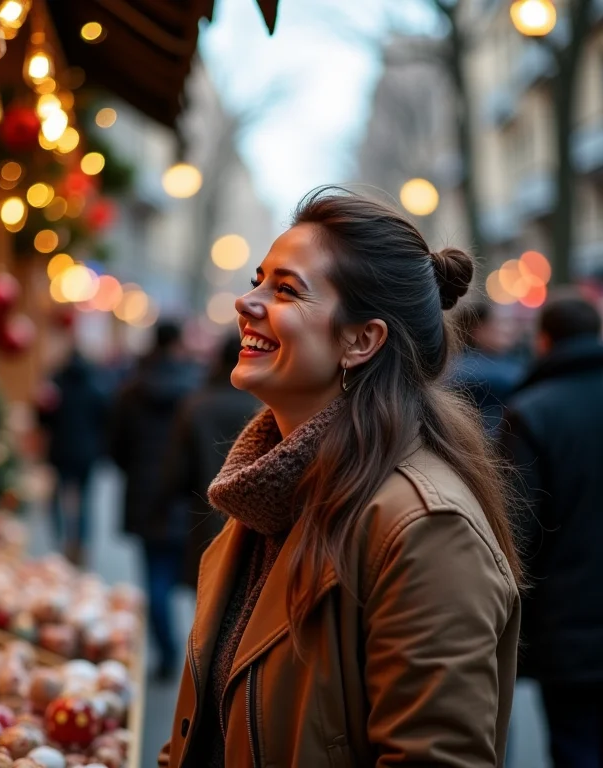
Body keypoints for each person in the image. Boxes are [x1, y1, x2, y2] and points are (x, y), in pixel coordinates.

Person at [159, 189, 521, 768]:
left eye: (285, 290)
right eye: (258, 280)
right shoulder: (269, 494)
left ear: (361, 340)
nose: (246, 304)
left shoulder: (425, 528)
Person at [501, 291, 603, 768]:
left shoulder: (532, 413)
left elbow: (520, 529)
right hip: (575, 627)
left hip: (570, 628)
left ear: (544, 341)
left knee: (576, 747)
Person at [110, 320, 202, 680]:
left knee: (156, 579)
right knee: (200, 579)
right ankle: (202, 658)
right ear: (178, 343)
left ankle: (166, 653)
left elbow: (116, 446)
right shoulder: (193, 389)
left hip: (146, 495)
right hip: (185, 497)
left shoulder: (132, 389)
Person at [157, 333, 260, 588]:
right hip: (256, 524)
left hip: (206, 518)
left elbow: (177, 471)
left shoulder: (197, 405)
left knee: (208, 599)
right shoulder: (265, 406)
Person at [38, 348, 109, 566]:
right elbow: (104, 420)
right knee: (85, 500)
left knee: (57, 498)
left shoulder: (56, 387)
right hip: (86, 453)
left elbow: (43, 419)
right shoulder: (95, 387)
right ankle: (80, 543)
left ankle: (59, 541)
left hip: (60, 450)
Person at [449, 300, 523, 437]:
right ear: (478, 329)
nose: (508, 329)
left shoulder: (507, 361)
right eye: (500, 322)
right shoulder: (464, 367)